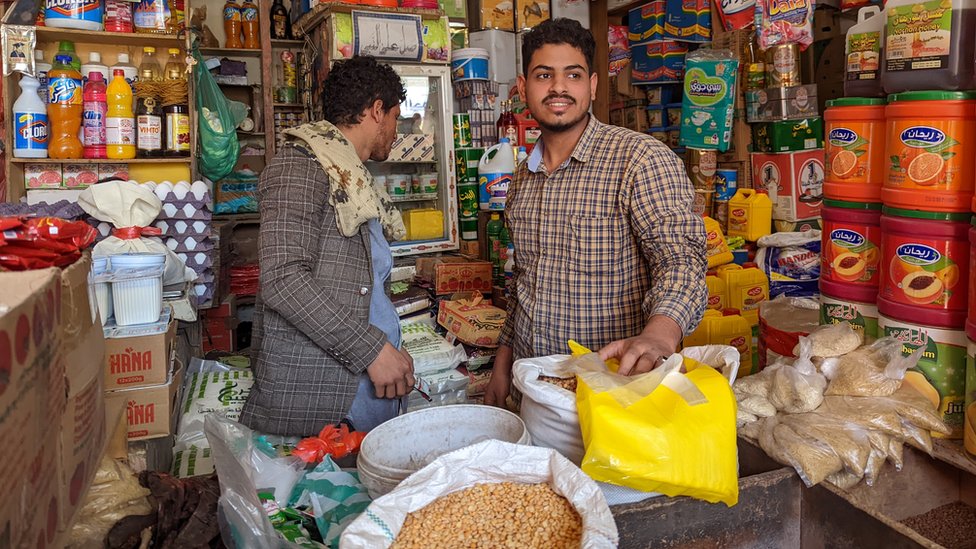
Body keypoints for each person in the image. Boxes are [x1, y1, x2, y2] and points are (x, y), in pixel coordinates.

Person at [484, 18, 708, 407]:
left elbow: (681, 260)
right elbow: (523, 281)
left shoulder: (639, 159)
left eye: (572, 75)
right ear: (523, 88)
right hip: (537, 388)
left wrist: (660, 333)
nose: (558, 87)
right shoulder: (520, 179)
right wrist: (503, 363)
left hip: (617, 392)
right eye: (543, 75)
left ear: (592, 85)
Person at [240, 56, 415, 437]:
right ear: (376, 111)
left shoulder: (353, 179)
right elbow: (284, 280)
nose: (395, 131)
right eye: (396, 118)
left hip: (369, 387)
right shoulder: (300, 167)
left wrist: (392, 349)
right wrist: (371, 349)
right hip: (323, 398)